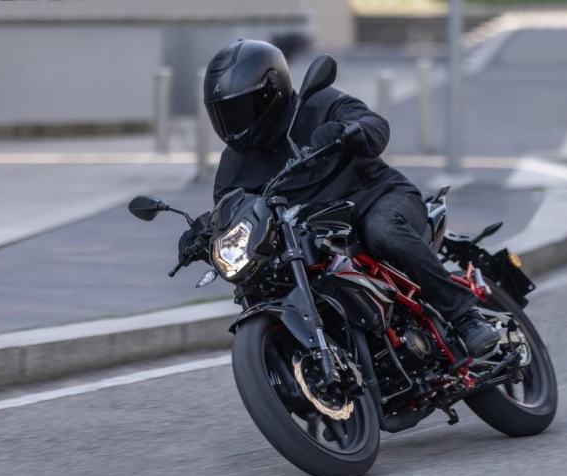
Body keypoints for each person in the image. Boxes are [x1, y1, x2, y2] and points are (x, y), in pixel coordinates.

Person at [181, 39, 500, 358]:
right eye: (225, 113)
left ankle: (464, 316)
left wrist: (350, 132)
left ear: (271, 91)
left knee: (383, 230)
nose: (234, 123)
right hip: (316, 236)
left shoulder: (319, 105)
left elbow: (375, 125)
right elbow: (230, 212)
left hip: (377, 200)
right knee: (260, 276)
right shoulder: (234, 164)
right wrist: (204, 234)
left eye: (241, 109)